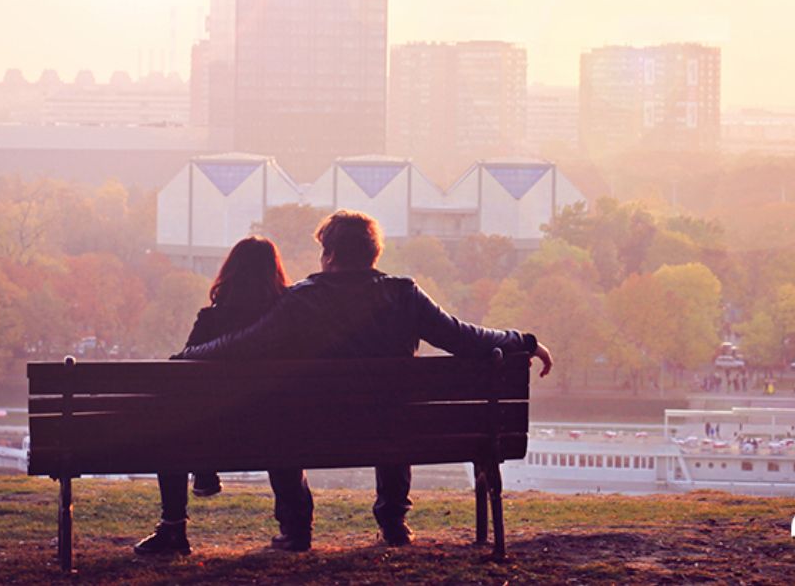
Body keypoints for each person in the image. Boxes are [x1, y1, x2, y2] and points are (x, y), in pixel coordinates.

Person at [178, 209, 552, 552]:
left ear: (330, 255)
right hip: (391, 430)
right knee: (393, 412)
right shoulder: (404, 295)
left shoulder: (301, 301)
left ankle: (296, 528)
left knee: (282, 417)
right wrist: (524, 342)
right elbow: (465, 338)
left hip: (311, 431)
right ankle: (393, 522)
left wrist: (189, 356)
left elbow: (245, 345)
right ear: (373, 254)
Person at [133, 236, 291, 557]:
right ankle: (296, 528)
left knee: (171, 426)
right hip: (276, 433)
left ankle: (174, 528)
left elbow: (180, 374)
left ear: (229, 272)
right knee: (279, 419)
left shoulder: (211, 320)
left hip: (213, 438)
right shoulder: (286, 322)